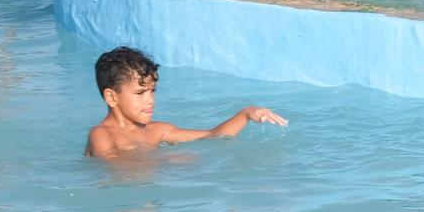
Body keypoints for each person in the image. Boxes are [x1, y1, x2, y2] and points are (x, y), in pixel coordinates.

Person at [85, 46, 286, 158]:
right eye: (140, 93)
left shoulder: (158, 131)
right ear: (112, 97)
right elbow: (116, 172)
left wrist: (246, 114)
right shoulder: (101, 134)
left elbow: (213, 136)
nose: (150, 100)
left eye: (153, 91)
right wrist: (170, 160)